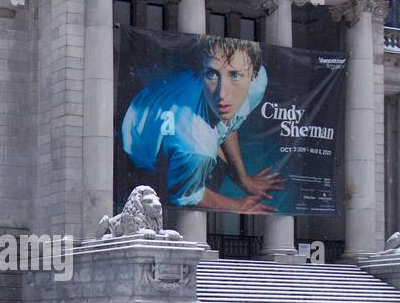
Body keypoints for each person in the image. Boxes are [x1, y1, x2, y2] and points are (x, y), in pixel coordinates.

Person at [121, 37, 284, 215]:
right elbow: (186, 196)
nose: (222, 94)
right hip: (133, 141)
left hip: (155, 96)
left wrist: (243, 179)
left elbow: (228, 126)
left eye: (234, 75)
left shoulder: (258, 82)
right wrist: (238, 205)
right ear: (201, 72)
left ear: (252, 74)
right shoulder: (195, 148)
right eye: (212, 74)